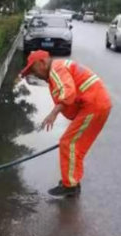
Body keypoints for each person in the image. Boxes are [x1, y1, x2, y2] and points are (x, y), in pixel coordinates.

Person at [19, 50, 112, 197]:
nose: (33, 74)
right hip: (95, 104)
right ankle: (72, 181)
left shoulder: (56, 69)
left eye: (33, 69)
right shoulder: (57, 68)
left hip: (94, 105)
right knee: (74, 144)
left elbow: (68, 92)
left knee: (69, 143)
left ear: (42, 63)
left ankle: (70, 186)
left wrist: (53, 113)